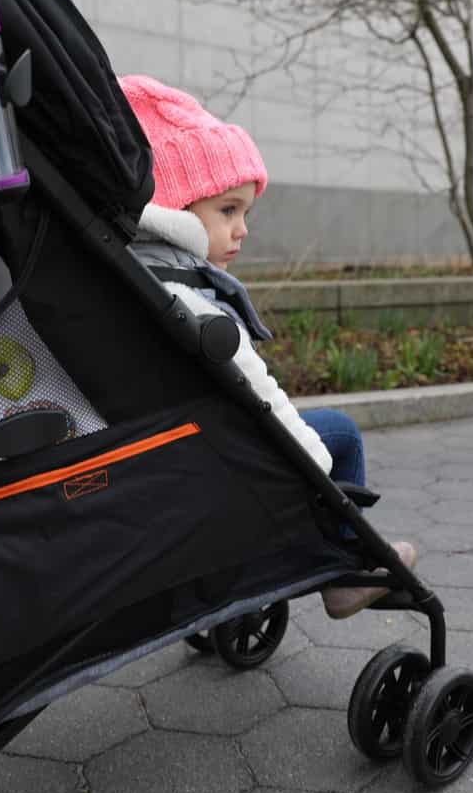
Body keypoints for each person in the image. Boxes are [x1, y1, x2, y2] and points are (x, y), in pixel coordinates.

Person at [119, 73, 414, 619]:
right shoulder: (189, 300)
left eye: (245, 214)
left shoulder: (133, 276)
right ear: (175, 208)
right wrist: (314, 461)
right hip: (226, 468)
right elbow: (265, 401)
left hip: (173, 460)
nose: (242, 230)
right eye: (227, 211)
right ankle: (346, 569)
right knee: (339, 435)